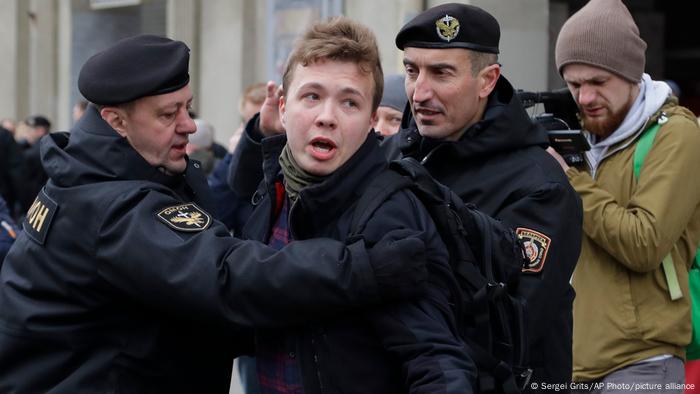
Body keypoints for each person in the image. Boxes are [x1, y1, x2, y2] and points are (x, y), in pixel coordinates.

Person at [0, 34, 431, 394]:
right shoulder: (112, 206)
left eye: (188, 107)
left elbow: (218, 217)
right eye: (169, 114)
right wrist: (364, 268)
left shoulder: (96, 174)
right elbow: (228, 273)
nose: (189, 124)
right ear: (116, 121)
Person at [229, 4, 582, 391]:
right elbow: (254, 199)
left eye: (441, 73)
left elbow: (512, 329)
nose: (420, 92)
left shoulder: (538, 184)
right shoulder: (394, 153)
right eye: (413, 71)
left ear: (487, 80)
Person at [235, 16, 474, 393]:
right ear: (283, 108)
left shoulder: (388, 210)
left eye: (349, 102)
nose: (326, 118)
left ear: (371, 122)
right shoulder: (275, 188)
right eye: (311, 96)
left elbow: (434, 358)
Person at [550, 0, 700, 391]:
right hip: (572, 360)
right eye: (574, 84)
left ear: (632, 74)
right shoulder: (580, 140)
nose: (584, 98)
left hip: (643, 361)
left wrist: (572, 179)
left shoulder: (676, 134)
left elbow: (644, 242)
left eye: (598, 82)